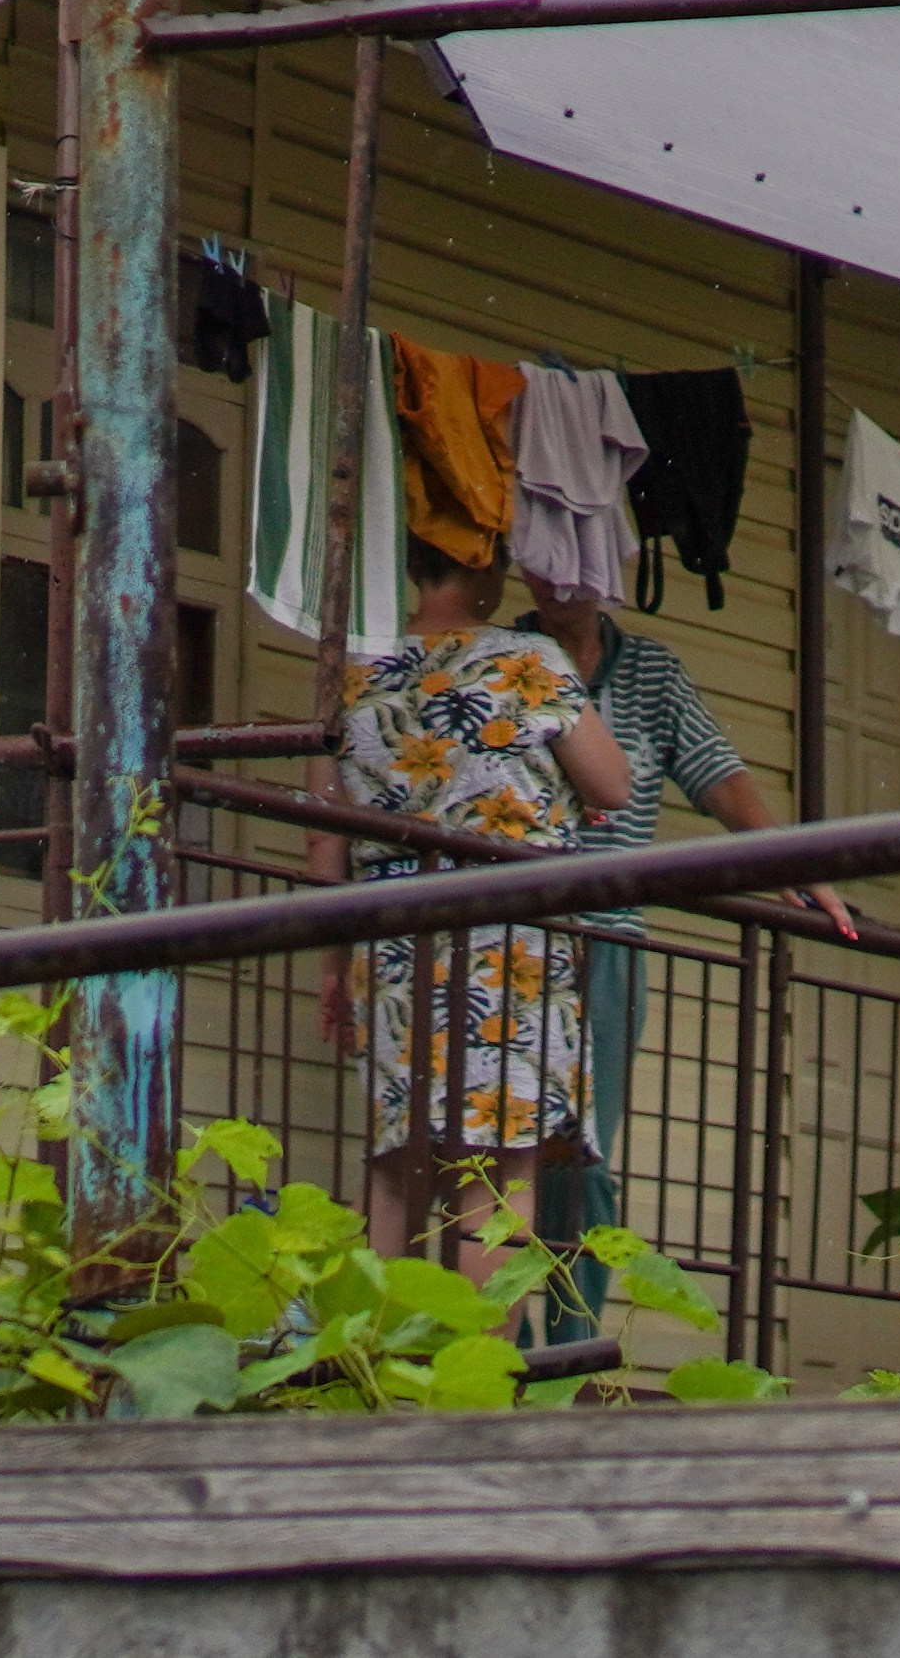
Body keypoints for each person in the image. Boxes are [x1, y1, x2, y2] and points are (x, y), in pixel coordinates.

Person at [522, 571, 854, 1336]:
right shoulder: (509, 651)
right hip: (518, 931)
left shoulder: (651, 673)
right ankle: (504, 1348)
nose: (555, 579)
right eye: (542, 553)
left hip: (608, 943)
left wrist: (787, 864)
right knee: (496, 1148)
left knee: (583, 1155)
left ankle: (566, 1353)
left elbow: (718, 775)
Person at [315, 535, 630, 1266]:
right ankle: (477, 1376)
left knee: (399, 1162)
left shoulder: (353, 671)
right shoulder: (527, 661)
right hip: (509, 934)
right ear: (481, 564)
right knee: (497, 1162)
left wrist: (334, 965)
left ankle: (372, 1364)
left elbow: (324, 841)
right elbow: (613, 785)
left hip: (390, 933)